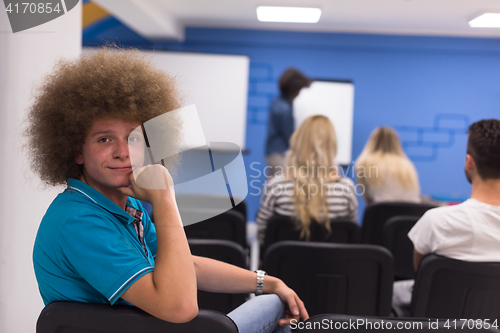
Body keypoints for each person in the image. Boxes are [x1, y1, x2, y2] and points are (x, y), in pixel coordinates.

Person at [28, 48, 308, 333]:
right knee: (274, 312)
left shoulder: (121, 209)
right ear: (77, 151)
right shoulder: (80, 221)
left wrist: (267, 282)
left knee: (274, 303)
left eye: (134, 138)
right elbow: (180, 308)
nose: (122, 152)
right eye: (104, 139)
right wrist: (165, 198)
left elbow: (188, 267)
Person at [392, 119, 500, 316]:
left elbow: (422, 277)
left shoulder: (437, 222)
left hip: (443, 323)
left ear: (469, 162)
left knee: (392, 292)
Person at [256, 115, 358, 245]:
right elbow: (350, 237)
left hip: (284, 264)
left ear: (297, 142)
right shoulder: (345, 189)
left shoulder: (276, 186)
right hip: (333, 265)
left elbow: (262, 236)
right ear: (332, 145)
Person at [355, 126, 421, 204]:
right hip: (411, 214)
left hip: (381, 213)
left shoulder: (364, 162)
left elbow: (367, 199)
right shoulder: (407, 164)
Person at [265, 68, 312, 177]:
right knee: (284, 186)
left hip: (272, 152)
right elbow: (290, 137)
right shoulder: (284, 109)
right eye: (299, 90)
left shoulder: (276, 102)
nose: (299, 94)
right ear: (293, 89)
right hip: (280, 154)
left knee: (272, 185)